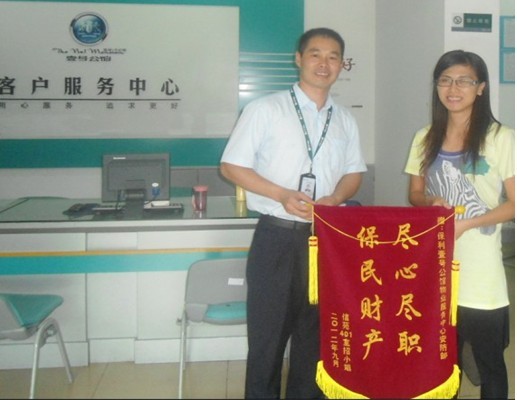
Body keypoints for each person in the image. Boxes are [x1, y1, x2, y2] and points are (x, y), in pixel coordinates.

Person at [220, 27, 367, 398]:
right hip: (277, 238)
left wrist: (336, 197)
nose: (324, 63)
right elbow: (231, 166)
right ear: (298, 59)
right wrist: (281, 194)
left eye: (333, 57)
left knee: (317, 342)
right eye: (315, 54)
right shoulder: (265, 109)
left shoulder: (344, 119)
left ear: (342, 64)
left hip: (327, 241)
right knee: (268, 343)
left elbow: (354, 173)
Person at [404, 50, 515, 399]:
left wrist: (468, 223)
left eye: (464, 81)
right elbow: (415, 194)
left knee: (489, 363)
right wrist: (431, 203)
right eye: (445, 80)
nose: (454, 89)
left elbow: (514, 204)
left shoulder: (501, 137)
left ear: (481, 87)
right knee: (443, 362)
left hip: (482, 274)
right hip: (435, 269)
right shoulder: (425, 137)